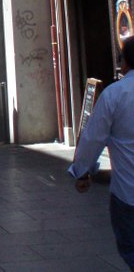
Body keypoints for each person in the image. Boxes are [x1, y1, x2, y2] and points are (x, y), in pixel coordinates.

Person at [68, 36, 134, 270]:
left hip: (128, 193)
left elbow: (93, 138)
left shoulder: (115, 94)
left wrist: (82, 171)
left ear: (125, 62)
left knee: (130, 248)